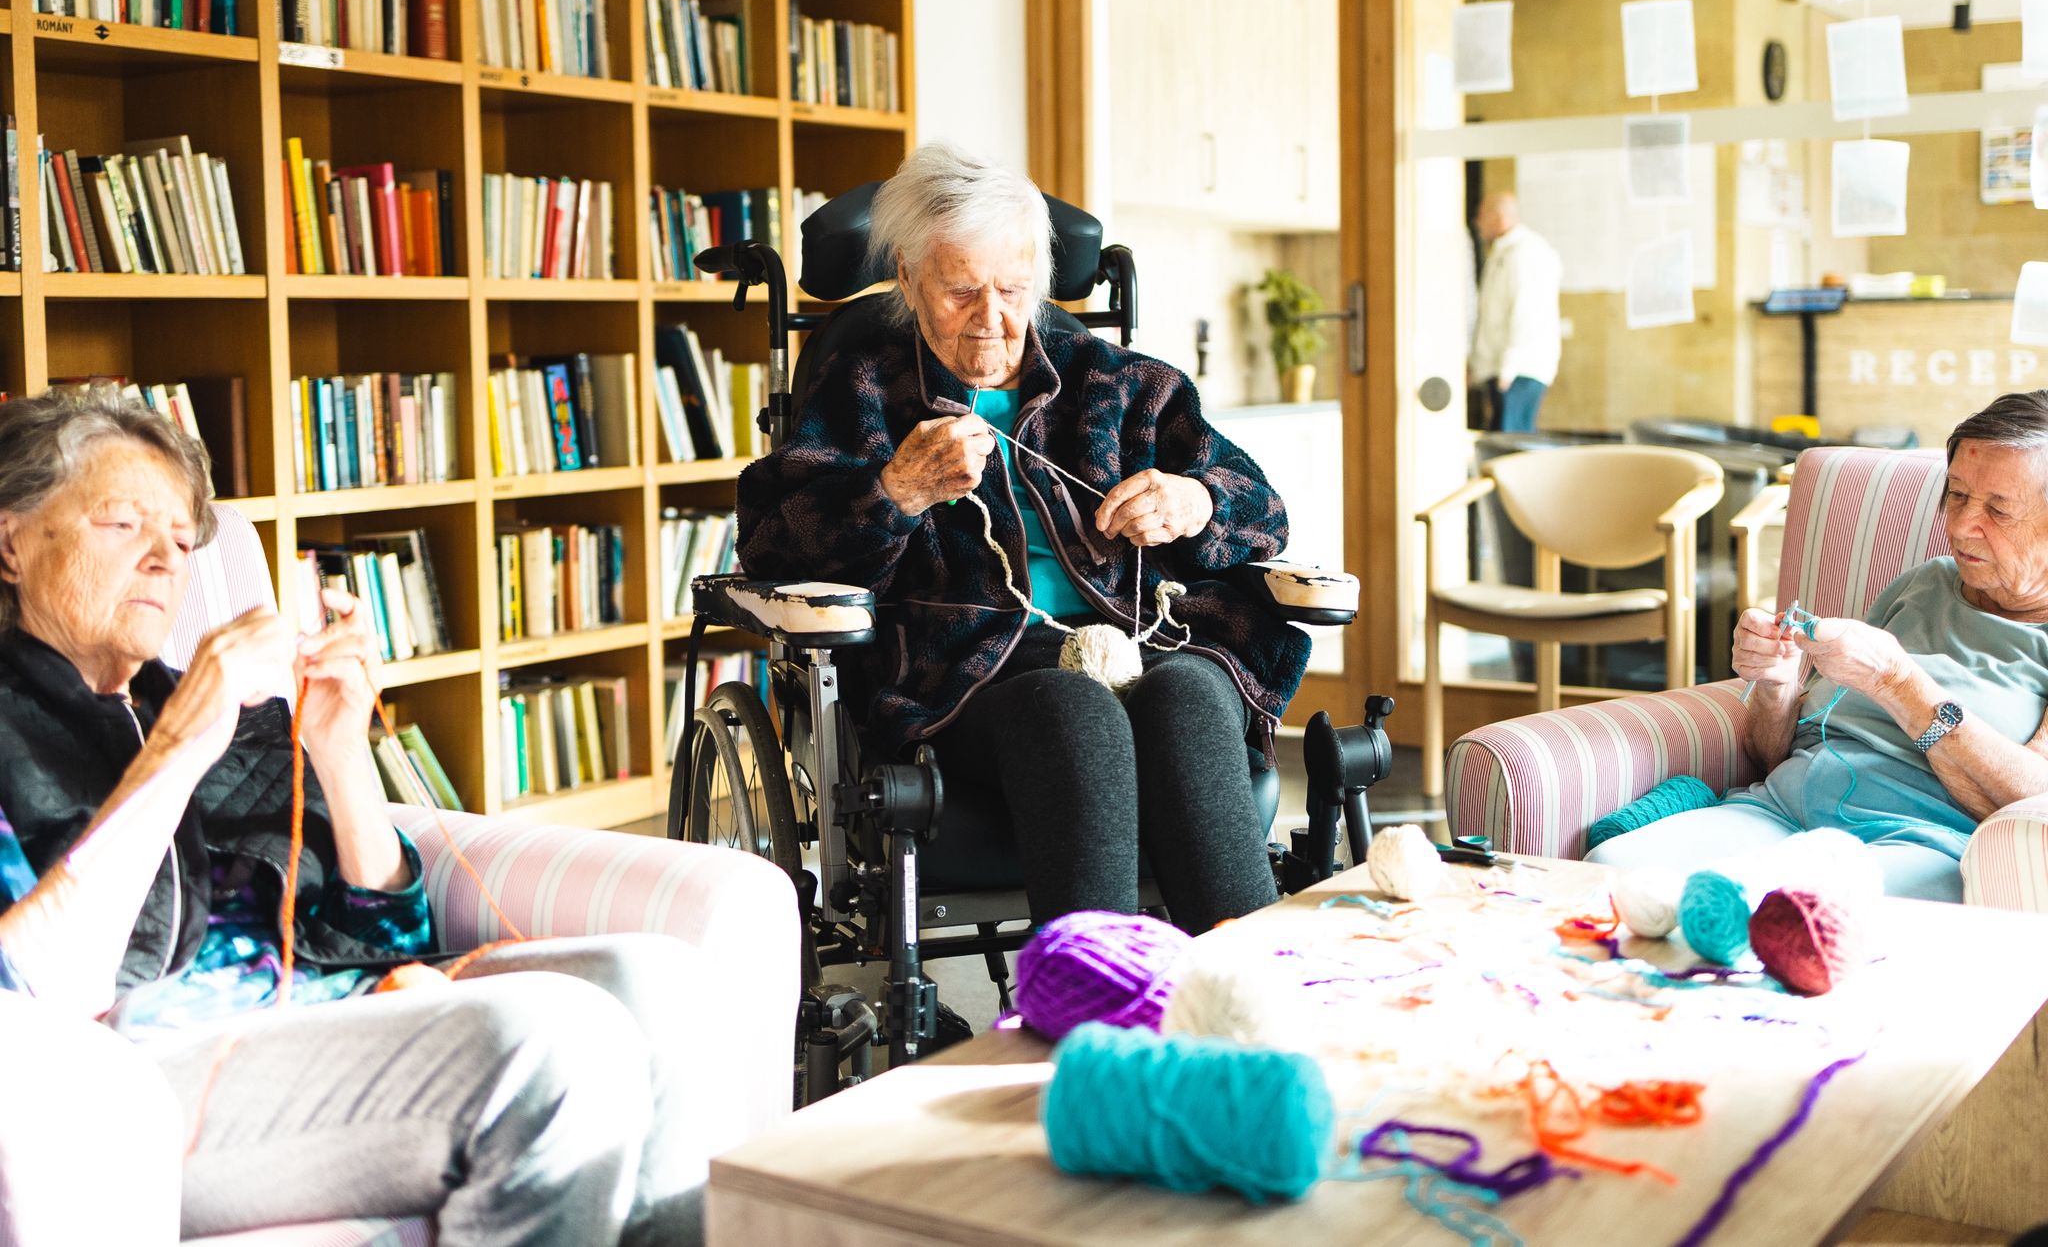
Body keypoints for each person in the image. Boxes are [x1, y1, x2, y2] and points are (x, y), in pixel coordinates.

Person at [0, 388, 707, 1246]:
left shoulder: (213, 709)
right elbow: (32, 984)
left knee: (655, 981)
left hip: (318, 1012)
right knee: (552, 1041)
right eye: (121, 524)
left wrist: (340, 755)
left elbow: (386, 933)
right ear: (12, 543)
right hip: (131, 1081)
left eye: (182, 541)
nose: (163, 560)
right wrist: (177, 750)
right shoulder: (119, 720)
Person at [737, 142, 1309, 933]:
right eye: (960, 291)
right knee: (1075, 711)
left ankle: (1248, 982)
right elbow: (772, 547)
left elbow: (1264, 512)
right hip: (967, 670)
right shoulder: (860, 389)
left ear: (1038, 282)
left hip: (1147, 637)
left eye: (1011, 290)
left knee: (1186, 695)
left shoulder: (1126, 386)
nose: (991, 318)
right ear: (907, 276)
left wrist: (1197, 501)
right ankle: (1095, 991)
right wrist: (895, 491)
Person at [1586, 391, 2048, 903]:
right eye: (1957, 495)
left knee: (1784, 910)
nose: (1959, 526)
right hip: (1780, 809)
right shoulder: (1926, 583)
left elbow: (2035, 800)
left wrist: (1898, 682)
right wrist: (1776, 687)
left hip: (1915, 842)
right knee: (1609, 873)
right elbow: (1772, 754)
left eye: (1998, 510)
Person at [1468, 191, 1562, 433]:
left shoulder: (1525, 253)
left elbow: (1526, 314)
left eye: (1482, 216)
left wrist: (1510, 367)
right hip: (1502, 369)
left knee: (1511, 442)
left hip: (1517, 371)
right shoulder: (1502, 252)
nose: (1477, 223)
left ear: (1498, 218)